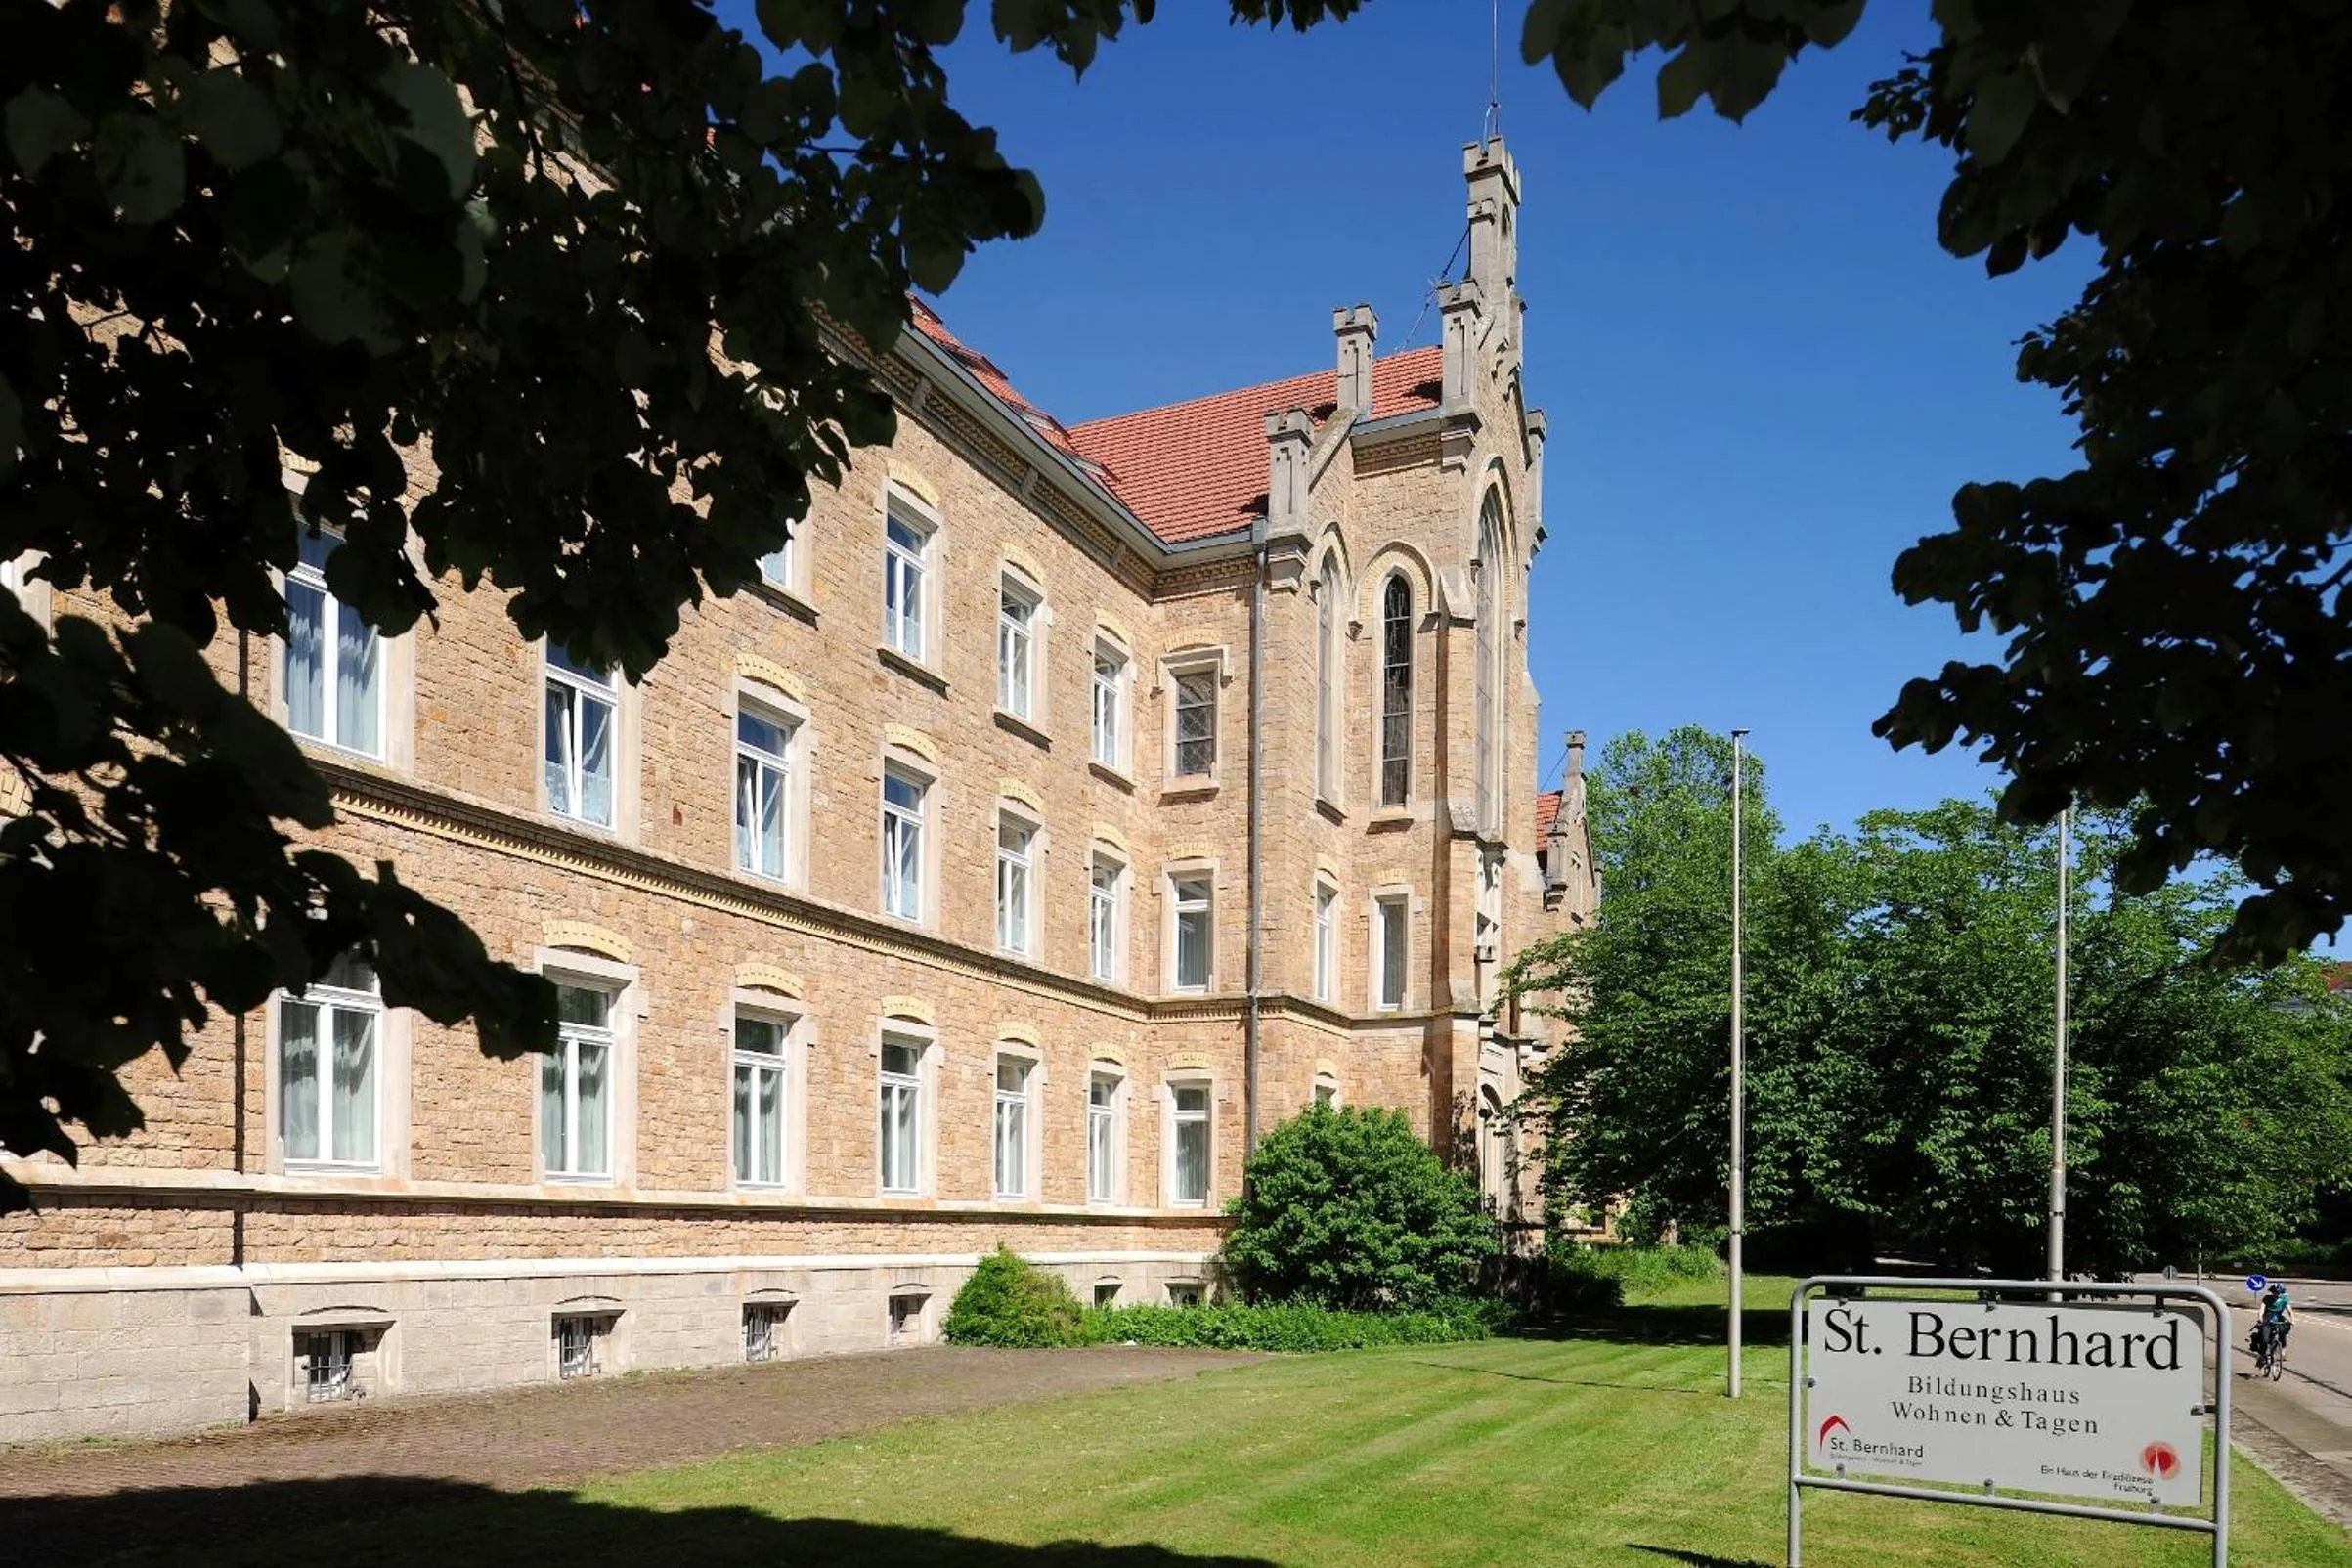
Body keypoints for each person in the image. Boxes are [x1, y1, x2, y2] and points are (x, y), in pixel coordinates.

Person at [2255, 1282, 2293, 1365]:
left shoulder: (2285, 1299)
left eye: (2279, 1292)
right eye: (2275, 1292)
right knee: (2265, 1339)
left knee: (2282, 1332)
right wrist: (2260, 1318)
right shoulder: (2267, 1298)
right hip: (2267, 1318)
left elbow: (2289, 1310)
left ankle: (2283, 1351)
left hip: (2278, 1318)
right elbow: (2261, 1309)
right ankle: (2261, 1356)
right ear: (2272, 1292)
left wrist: (2292, 1319)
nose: (2277, 1294)